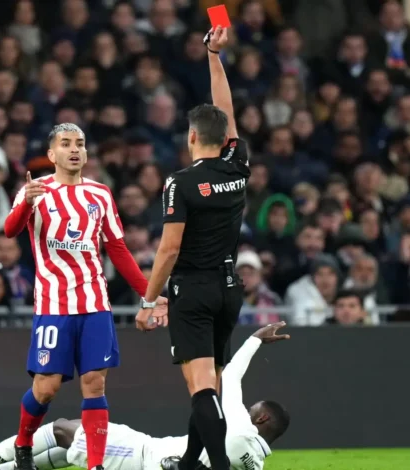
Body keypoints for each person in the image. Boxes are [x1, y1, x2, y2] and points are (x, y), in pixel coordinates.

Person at [2, 123, 168, 470]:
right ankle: (23, 444)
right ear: (52, 154)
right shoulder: (35, 190)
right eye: (65, 144)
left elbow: (117, 248)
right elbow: (10, 230)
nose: (74, 149)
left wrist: (149, 294)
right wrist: (25, 205)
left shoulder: (100, 194)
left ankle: (95, 465)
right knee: (46, 389)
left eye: (79, 143)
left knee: (94, 384)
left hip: (94, 303)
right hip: (53, 305)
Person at [135, 25, 250, 470]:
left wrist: (148, 301)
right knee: (211, 384)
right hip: (229, 289)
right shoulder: (237, 165)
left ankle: (218, 466)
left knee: (200, 386)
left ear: (191, 137)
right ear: (224, 138)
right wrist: (213, 57)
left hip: (193, 291)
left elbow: (168, 250)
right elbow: (226, 109)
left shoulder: (180, 183)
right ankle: (188, 463)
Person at [0, 324, 291, 470]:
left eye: (252, 410)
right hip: (145, 452)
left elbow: (229, 376)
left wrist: (255, 339)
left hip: (141, 459)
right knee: (70, 451)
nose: (245, 410)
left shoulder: (241, 430)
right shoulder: (254, 463)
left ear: (261, 419)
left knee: (65, 429)